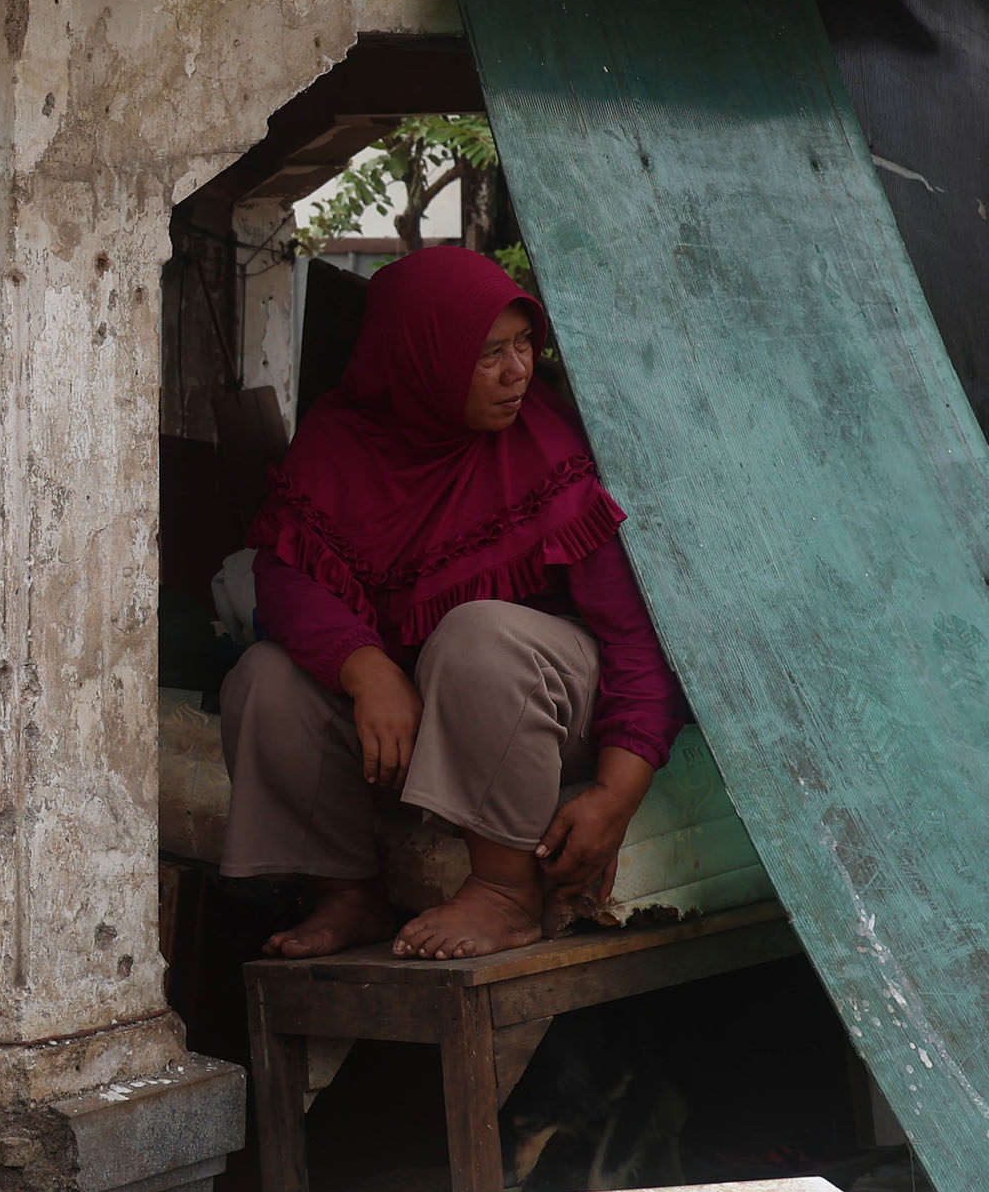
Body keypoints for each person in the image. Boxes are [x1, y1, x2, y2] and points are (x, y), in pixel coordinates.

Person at [220, 244, 686, 960]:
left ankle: (504, 894)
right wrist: (367, 670)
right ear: (417, 359)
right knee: (263, 678)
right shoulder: (337, 441)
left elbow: (637, 638)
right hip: (414, 720)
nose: (518, 372)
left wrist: (616, 795)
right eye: (487, 354)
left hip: (545, 711)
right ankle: (346, 892)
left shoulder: (548, 442)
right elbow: (287, 581)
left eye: (524, 344)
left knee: (476, 633)